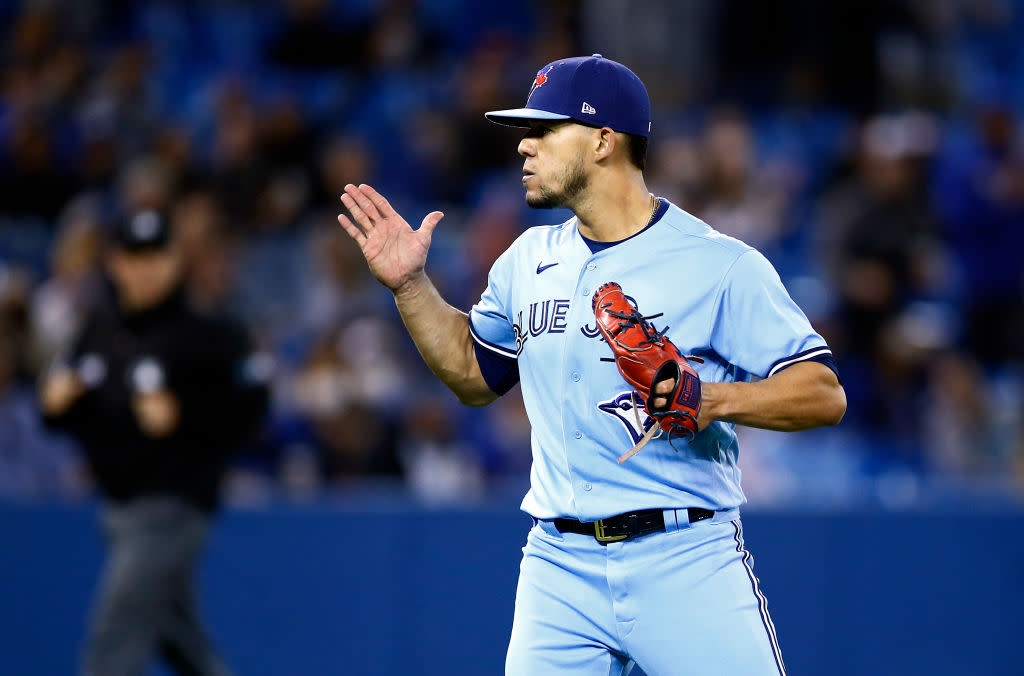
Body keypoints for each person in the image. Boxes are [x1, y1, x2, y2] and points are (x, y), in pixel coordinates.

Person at [337, 54, 846, 675]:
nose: (524, 146)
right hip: (558, 566)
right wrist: (412, 287)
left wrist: (712, 399)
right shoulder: (527, 259)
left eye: (545, 130)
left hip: (683, 556)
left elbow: (823, 393)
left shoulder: (719, 265)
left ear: (604, 140)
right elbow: (474, 377)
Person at [39, 209, 270, 676]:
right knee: (179, 639)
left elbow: (251, 411)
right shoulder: (99, 331)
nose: (146, 269)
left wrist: (184, 416)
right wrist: (55, 406)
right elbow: (70, 414)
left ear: (175, 260)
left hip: (174, 506)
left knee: (115, 636)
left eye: (156, 256)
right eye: (134, 256)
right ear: (114, 263)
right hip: (117, 508)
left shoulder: (208, 332)